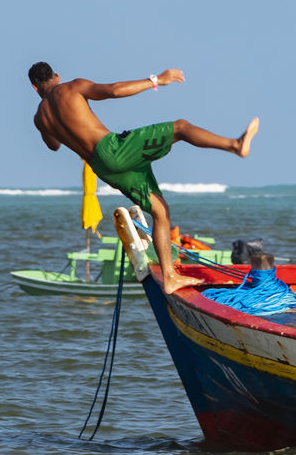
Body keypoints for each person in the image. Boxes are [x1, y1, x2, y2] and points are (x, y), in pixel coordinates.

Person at [28, 62, 258, 294]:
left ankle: (170, 277)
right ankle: (235, 145)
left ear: (34, 87)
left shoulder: (39, 119)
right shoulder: (71, 87)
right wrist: (156, 80)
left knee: (160, 212)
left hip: (102, 167)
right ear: (57, 76)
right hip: (112, 149)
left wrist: (57, 126)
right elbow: (114, 90)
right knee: (180, 127)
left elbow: (53, 145)